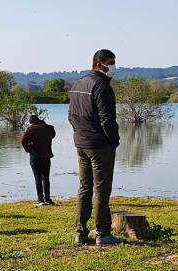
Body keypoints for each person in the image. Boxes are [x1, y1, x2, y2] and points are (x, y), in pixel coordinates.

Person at [68, 49, 122, 246]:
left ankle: (80, 233)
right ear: (100, 65)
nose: (114, 67)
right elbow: (108, 120)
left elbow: (70, 116)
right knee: (101, 190)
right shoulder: (102, 86)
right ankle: (103, 233)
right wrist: (114, 141)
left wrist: (79, 133)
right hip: (100, 145)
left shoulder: (78, 84)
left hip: (81, 143)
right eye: (111, 62)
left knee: (84, 188)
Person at [21, 115, 56, 205]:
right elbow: (53, 136)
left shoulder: (31, 129)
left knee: (38, 178)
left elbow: (23, 140)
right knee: (46, 177)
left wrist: (28, 149)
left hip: (35, 156)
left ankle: (40, 199)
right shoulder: (50, 128)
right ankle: (48, 199)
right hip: (46, 156)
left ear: (32, 122)